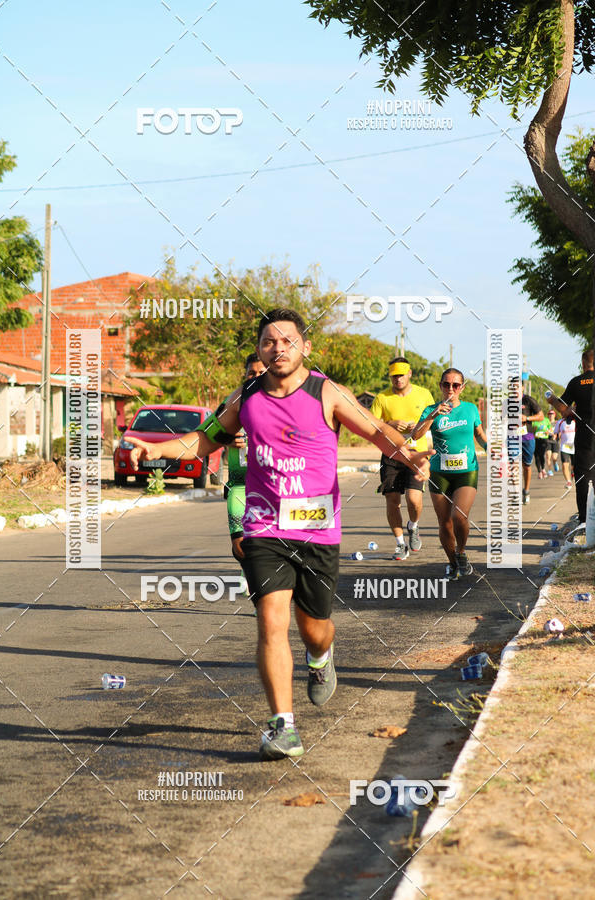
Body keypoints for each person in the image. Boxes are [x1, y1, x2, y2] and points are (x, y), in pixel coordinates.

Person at [129, 308, 432, 761]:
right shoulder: (246, 395)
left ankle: (321, 658)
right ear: (259, 349)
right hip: (263, 526)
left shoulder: (325, 391)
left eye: (287, 340)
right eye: (269, 341)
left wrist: (410, 456)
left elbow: (375, 431)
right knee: (271, 622)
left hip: (316, 530)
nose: (278, 348)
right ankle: (281, 725)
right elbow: (204, 440)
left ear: (304, 347)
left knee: (315, 630)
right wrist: (155, 448)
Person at [412, 368, 487, 580]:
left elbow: (479, 435)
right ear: (440, 386)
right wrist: (433, 415)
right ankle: (453, 562)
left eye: (455, 385)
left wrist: (492, 450)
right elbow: (416, 434)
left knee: (459, 516)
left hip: (466, 471)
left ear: (462, 388)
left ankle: (461, 552)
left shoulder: (471, 410)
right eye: (446, 385)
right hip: (439, 473)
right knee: (444, 522)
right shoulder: (430, 410)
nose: (450, 389)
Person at [370, 357, 434, 559]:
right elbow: (371, 424)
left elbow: (433, 419)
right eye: (394, 376)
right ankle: (400, 544)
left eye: (401, 375)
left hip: (416, 455)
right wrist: (390, 423)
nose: (397, 379)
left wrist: (418, 428)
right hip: (391, 456)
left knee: (413, 500)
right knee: (392, 500)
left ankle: (413, 526)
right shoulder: (382, 397)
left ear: (410, 374)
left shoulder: (424, 394)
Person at [224, 353, 266, 563]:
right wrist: (227, 439)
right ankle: (248, 568)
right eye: (251, 373)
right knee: (239, 544)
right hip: (239, 485)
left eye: (261, 372)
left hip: (269, 487)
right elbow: (212, 435)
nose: (256, 377)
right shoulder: (234, 403)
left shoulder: (280, 404)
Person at [546, 348, 595, 523]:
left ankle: (585, 521)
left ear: (583, 364)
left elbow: (564, 410)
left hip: (585, 437)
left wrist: (552, 400)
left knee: (584, 477)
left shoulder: (576, 382)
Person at [554, 413, 576, 488]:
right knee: (564, 464)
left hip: (574, 447)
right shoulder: (560, 422)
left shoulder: (575, 421)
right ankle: (568, 482)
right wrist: (555, 437)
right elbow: (555, 433)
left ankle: (573, 472)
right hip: (564, 447)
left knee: (574, 466)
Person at [533, 411, 551, 480]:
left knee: (541, 454)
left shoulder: (546, 420)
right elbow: (531, 429)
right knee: (536, 456)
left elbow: (550, 428)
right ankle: (539, 472)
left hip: (544, 440)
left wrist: (548, 431)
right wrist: (533, 432)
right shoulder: (534, 421)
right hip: (536, 439)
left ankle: (543, 468)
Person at [544, 408, 559, 476]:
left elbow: (560, 431)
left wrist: (556, 435)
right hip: (548, 440)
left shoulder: (557, 423)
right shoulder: (546, 422)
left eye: (552, 414)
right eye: (549, 414)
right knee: (548, 456)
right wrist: (545, 432)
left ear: (554, 415)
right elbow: (543, 430)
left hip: (555, 441)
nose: (551, 415)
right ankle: (550, 470)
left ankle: (555, 463)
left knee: (554, 457)